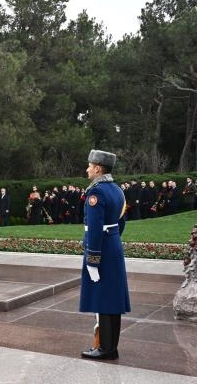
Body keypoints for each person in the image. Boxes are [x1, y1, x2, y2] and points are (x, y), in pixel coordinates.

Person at [80, 149, 130, 361]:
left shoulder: (97, 192)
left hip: (100, 249)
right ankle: (110, 346)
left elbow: (94, 228)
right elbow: (121, 221)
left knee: (103, 299)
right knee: (111, 299)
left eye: (90, 166)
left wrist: (92, 259)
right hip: (113, 245)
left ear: (98, 169)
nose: (87, 169)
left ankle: (105, 349)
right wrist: (113, 239)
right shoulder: (117, 190)